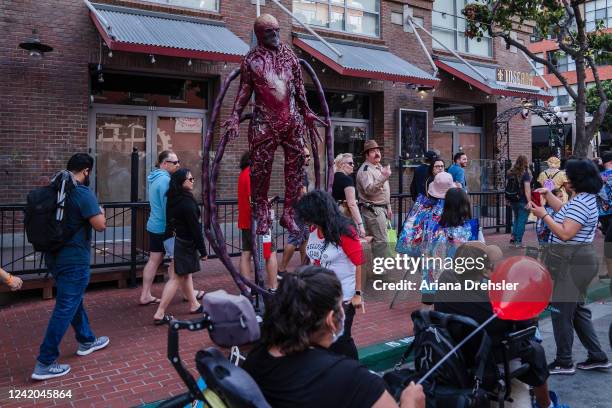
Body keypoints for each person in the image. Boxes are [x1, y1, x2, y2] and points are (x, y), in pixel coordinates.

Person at [242, 265, 425, 408]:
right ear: (331, 319)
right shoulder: (352, 378)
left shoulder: (256, 357)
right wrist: (412, 402)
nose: (344, 312)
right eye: (341, 306)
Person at [223, 14, 324, 235]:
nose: (275, 35)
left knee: (296, 167)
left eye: (277, 30)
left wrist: (306, 111)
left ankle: (288, 213)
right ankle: (261, 209)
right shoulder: (251, 60)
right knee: (260, 169)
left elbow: (298, 88)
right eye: (270, 32)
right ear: (259, 34)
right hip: (264, 122)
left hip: (291, 121)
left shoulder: (290, 57)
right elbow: (243, 91)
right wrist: (234, 116)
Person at [434, 242, 568, 408]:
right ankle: (546, 404)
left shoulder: (445, 280)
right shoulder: (493, 304)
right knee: (535, 349)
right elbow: (525, 323)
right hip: (490, 356)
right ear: (484, 269)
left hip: (456, 350)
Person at [529, 159, 611, 374]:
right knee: (576, 311)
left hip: (572, 261)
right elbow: (565, 211)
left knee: (561, 311)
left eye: (569, 176)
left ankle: (564, 361)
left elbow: (566, 233)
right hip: (579, 259)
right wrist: (548, 197)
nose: (565, 180)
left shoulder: (582, 202)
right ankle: (597, 356)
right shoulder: (584, 199)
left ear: (577, 180)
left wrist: (544, 215)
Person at [32, 153, 109, 381]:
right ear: (86, 171)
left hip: (53, 256)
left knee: (72, 300)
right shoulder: (82, 193)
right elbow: (100, 226)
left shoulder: (57, 190)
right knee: (66, 306)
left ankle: (86, 340)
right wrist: (101, 212)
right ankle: (44, 362)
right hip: (74, 258)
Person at [296, 190, 364, 359]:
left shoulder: (345, 231)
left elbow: (359, 263)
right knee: (322, 337)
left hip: (343, 295)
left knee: (341, 339)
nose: (305, 220)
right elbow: (314, 259)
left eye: (308, 215)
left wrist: (358, 294)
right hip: (319, 293)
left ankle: (355, 372)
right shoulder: (314, 229)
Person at [140, 150, 203, 306]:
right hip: (167, 229)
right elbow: (169, 207)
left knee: (154, 260)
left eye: (178, 162)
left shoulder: (154, 178)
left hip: (154, 225)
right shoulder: (166, 181)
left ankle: (145, 294)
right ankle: (189, 295)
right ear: (164, 163)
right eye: (175, 162)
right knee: (178, 265)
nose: (178, 165)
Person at [153, 169, 208, 325]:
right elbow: (195, 228)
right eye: (189, 179)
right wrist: (203, 250)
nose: (192, 180)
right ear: (181, 182)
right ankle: (160, 312)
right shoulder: (186, 202)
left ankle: (193, 304)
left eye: (192, 178)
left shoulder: (174, 198)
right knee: (177, 276)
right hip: (181, 242)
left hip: (173, 239)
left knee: (185, 274)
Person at [237, 151, 278, 290]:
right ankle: (273, 286)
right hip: (258, 220)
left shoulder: (243, 173)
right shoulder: (252, 174)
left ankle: (247, 288)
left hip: (246, 219)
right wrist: (267, 202)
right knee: (270, 253)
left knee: (246, 252)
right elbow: (254, 200)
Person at [396, 172, 455, 255]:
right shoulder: (455, 207)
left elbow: (410, 230)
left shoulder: (422, 207)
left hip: (424, 253)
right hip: (447, 256)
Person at [278, 147, 312, 278]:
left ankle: (305, 268)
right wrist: (309, 205)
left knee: (305, 239)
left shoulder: (296, 170)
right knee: (294, 238)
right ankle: (281, 269)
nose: (309, 158)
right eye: (306, 156)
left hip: (297, 209)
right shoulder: (300, 172)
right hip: (299, 210)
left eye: (309, 156)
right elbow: (302, 193)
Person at [356, 140, 392, 262]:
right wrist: (383, 177)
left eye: (377, 150)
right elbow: (369, 190)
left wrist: (389, 207)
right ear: (366, 155)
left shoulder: (378, 167)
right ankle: (379, 272)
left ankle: (376, 269)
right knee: (381, 241)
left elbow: (384, 190)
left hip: (381, 208)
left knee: (380, 240)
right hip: (373, 209)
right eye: (373, 151)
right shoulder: (366, 170)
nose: (377, 153)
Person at [332, 153, 366, 238]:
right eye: (350, 163)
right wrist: (360, 224)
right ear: (342, 165)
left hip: (333, 213)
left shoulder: (331, 178)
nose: (353, 165)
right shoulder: (347, 180)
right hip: (345, 215)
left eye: (353, 163)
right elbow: (352, 204)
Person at [508, 155, 532, 248]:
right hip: (522, 201)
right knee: (521, 221)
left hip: (513, 200)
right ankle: (518, 241)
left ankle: (513, 238)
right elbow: (527, 190)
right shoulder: (525, 174)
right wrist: (529, 201)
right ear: (525, 162)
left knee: (516, 219)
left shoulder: (511, 173)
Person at [598, 151, 612, 278]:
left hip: (604, 213)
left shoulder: (599, 176)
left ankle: (610, 272)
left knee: (608, 242)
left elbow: (599, 194)